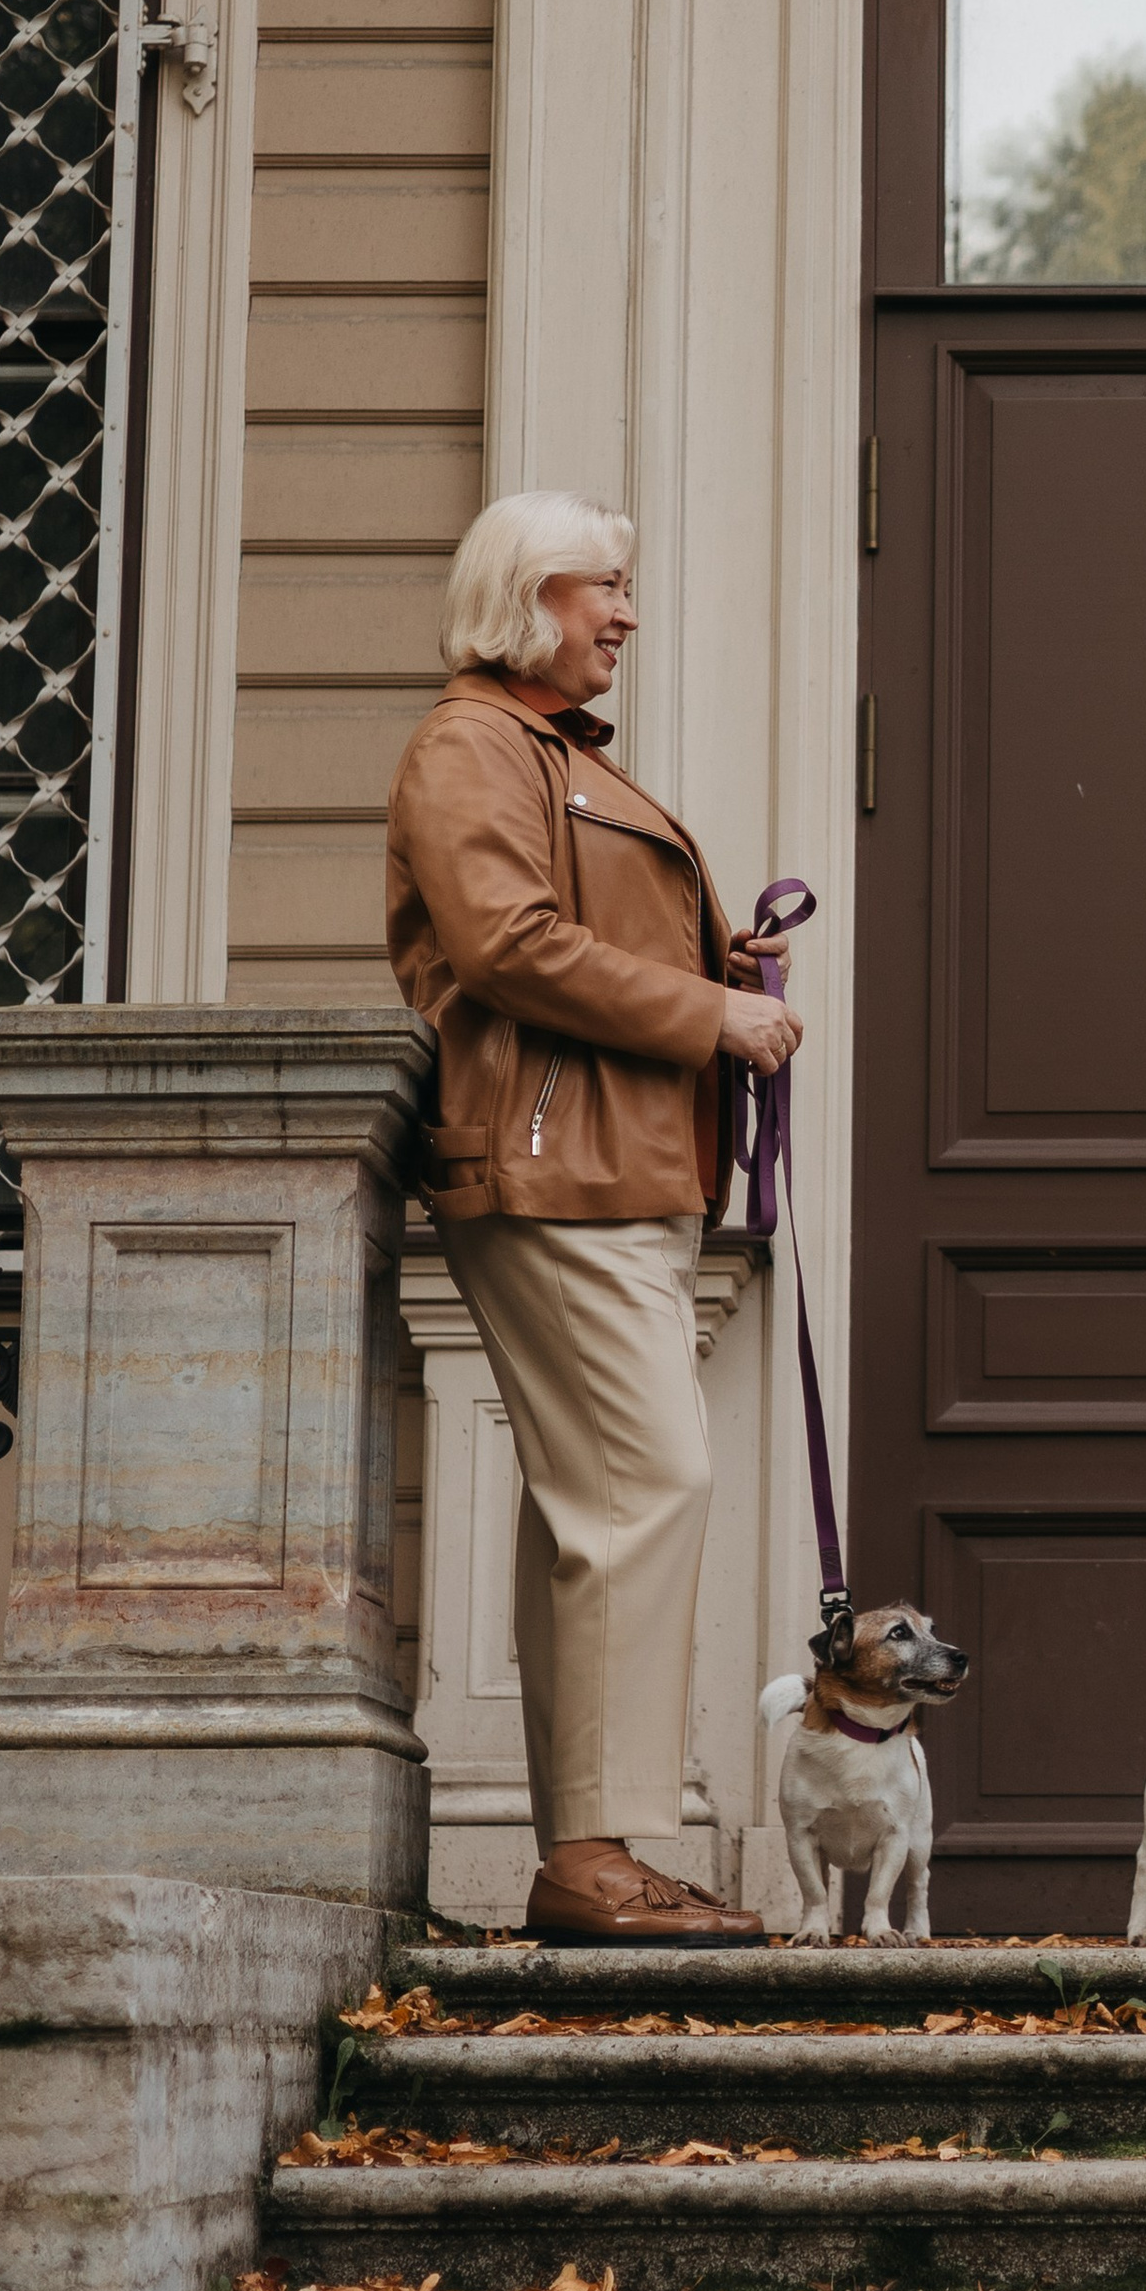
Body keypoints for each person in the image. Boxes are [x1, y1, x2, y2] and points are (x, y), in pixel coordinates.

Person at [386, 492, 803, 1946]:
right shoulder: (473, 745)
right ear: (522, 594)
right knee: (647, 1488)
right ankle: (599, 1854)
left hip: (617, 1171)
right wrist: (711, 1012)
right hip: (559, 1168)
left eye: (624, 589)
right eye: (599, 588)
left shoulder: (548, 754)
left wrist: (708, 952)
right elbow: (504, 941)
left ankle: (594, 1849)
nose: (623, 613)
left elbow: (570, 926)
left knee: (601, 1508)